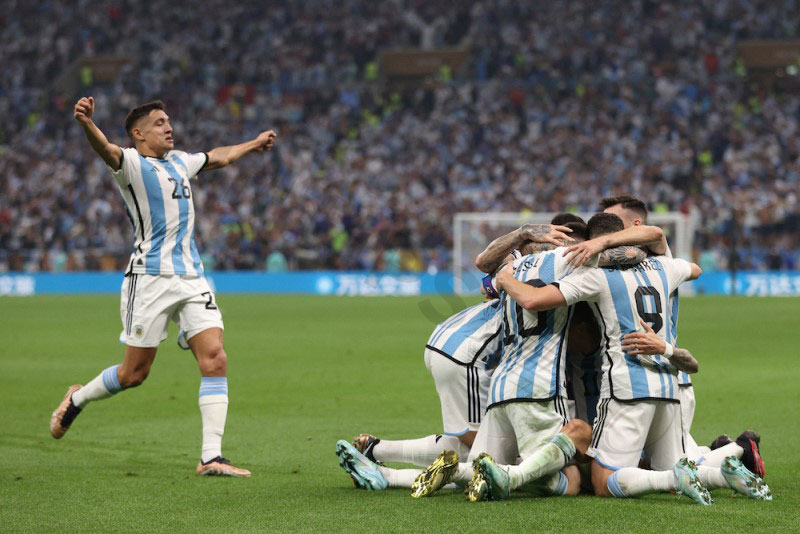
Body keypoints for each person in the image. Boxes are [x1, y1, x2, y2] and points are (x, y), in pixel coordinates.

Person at [49, 96, 276, 477]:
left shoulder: (179, 161)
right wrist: (87, 123)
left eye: (168, 120)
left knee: (216, 357)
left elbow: (217, 157)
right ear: (138, 134)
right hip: (149, 278)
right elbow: (105, 150)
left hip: (191, 276)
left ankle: (211, 456)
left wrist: (253, 144)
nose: (168, 126)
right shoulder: (131, 165)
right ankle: (78, 398)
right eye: (158, 123)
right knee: (133, 374)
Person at [491, 213, 771, 503]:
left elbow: (534, 300)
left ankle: (695, 472)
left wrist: (506, 279)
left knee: (603, 479)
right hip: (669, 387)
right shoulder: (665, 266)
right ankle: (723, 469)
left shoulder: (596, 277)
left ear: (594, 242)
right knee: (668, 463)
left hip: (627, 388)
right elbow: (694, 268)